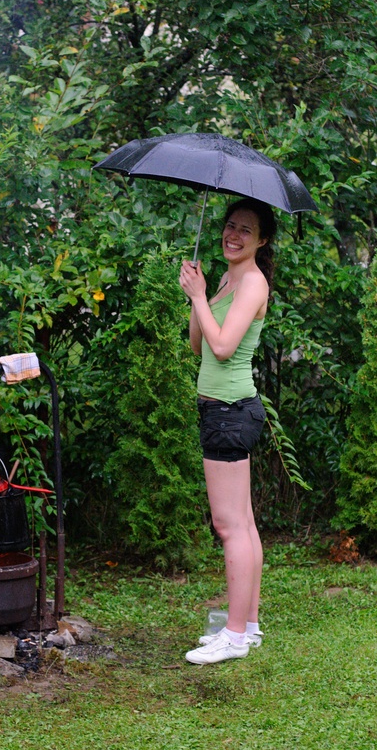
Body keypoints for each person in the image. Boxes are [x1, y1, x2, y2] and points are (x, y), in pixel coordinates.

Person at [179, 197, 276, 665]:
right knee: (244, 522)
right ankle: (248, 627)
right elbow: (199, 344)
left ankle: (234, 637)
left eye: (245, 230)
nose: (233, 235)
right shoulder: (225, 278)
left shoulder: (253, 282)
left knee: (229, 525)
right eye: (230, 225)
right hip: (224, 411)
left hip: (230, 413)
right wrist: (197, 297)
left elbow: (222, 349)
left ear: (262, 240)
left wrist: (201, 298)